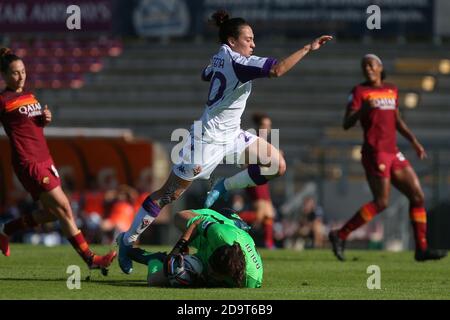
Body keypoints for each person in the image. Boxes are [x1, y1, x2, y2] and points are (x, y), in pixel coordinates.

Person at [117, 9, 332, 274]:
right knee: (168, 195)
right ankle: (126, 242)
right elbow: (276, 70)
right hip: (207, 140)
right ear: (232, 41)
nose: (253, 44)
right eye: (248, 39)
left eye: (253, 39)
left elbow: (205, 74)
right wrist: (307, 48)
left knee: (276, 165)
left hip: (231, 134)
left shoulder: (222, 54)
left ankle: (224, 185)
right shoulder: (240, 63)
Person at [0, 48, 116, 271]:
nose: (21, 76)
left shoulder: (29, 95)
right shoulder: (4, 100)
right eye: (15, 73)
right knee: (64, 208)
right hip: (30, 162)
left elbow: (31, 125)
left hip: (45, 159)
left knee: (52, 213)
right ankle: (91, 259)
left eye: (23, 71)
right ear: (4, 76)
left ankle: (7, 229)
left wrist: (44, 119)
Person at [328, 54, 447, 262]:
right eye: (364, 65)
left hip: (393, 151)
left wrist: (414, 141)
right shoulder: (359, 91)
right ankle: (340, 234)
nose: (367, 68)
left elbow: (397, 119)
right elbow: (346, 123)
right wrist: (360, 112)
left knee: (417, 196)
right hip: (375, 152)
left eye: (371, 64)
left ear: (380, 67)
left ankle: (421, 248)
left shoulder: (391, 89)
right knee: (382, 202)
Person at [124, 207, 262, 288]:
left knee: (154, 280)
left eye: (213, 271)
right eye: (211, 268)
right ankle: (234, 220)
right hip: (226, 228)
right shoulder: (219, 234)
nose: (210, 271)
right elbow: (196, 223)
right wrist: (177, 250)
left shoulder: (251, 280)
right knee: (179, 217)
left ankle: (156, 258)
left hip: (227, 246)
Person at [241, 112, 276, 248]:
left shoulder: (264, 141)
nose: (267, 128)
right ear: (258, 126)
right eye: (264, 125)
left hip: (262, 178)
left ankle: (269, 243)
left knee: (269, 213)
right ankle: (234, 218)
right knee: (261, 214)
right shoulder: (254, 139)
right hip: (254, 176)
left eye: (269, 125)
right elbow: (245, 160)